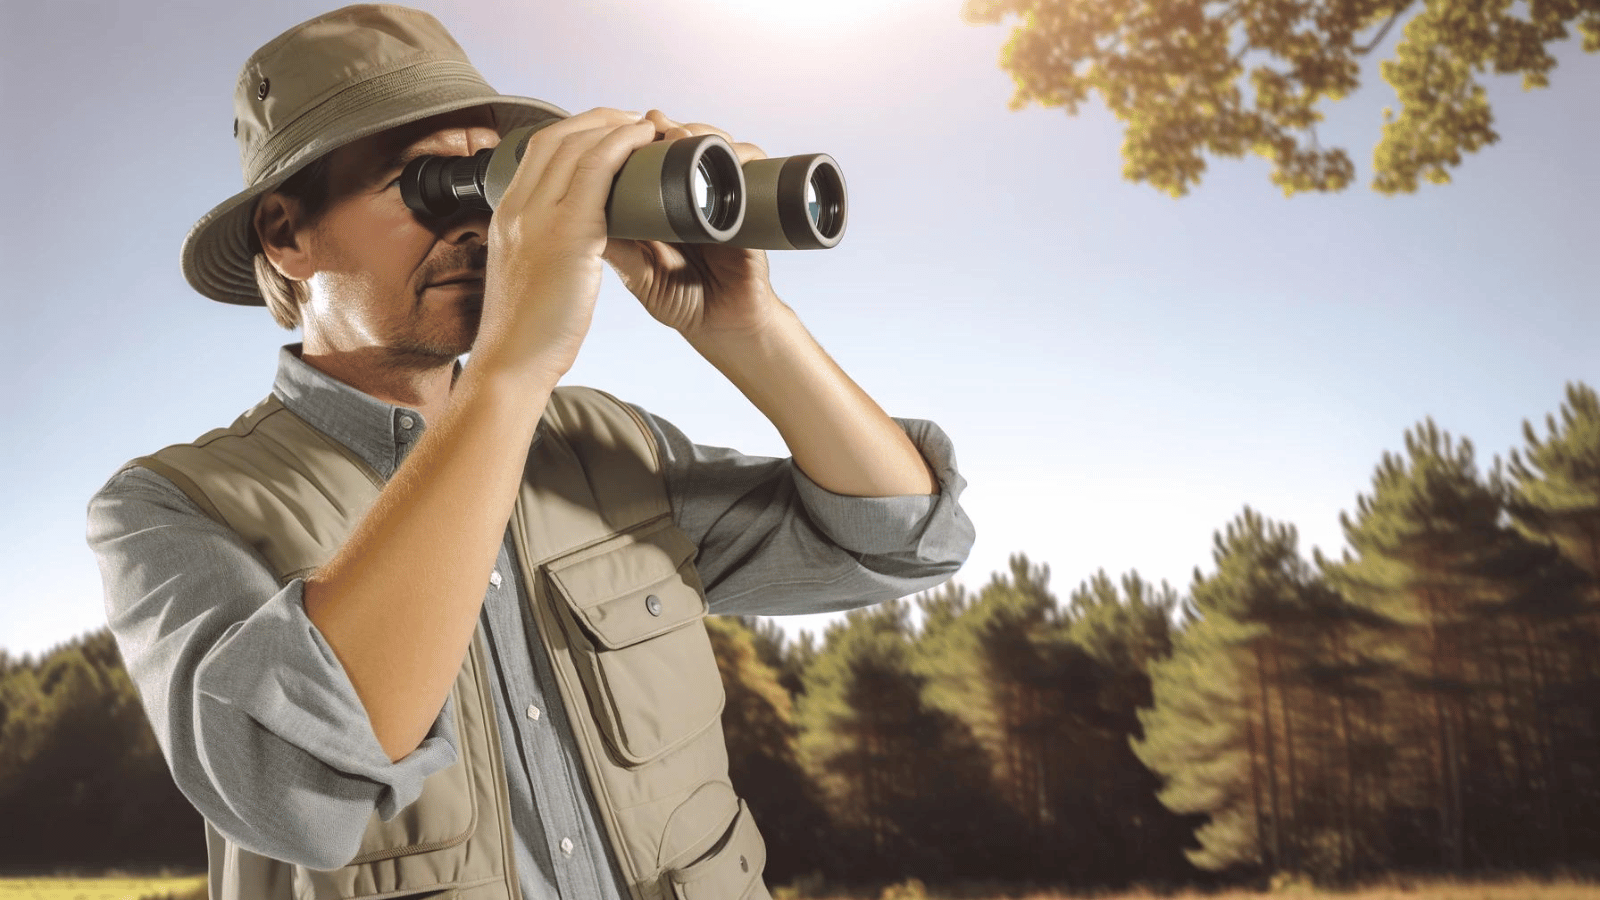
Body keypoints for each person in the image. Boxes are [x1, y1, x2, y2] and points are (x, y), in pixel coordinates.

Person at [86, 5, 975, 900]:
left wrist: (749, 328)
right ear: (287, 234)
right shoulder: (171, 506)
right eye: (428, 184)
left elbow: (900, 539)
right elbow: (292, 795)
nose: (481, 224)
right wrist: (509, 371)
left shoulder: (602, 444)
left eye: (494, 179)